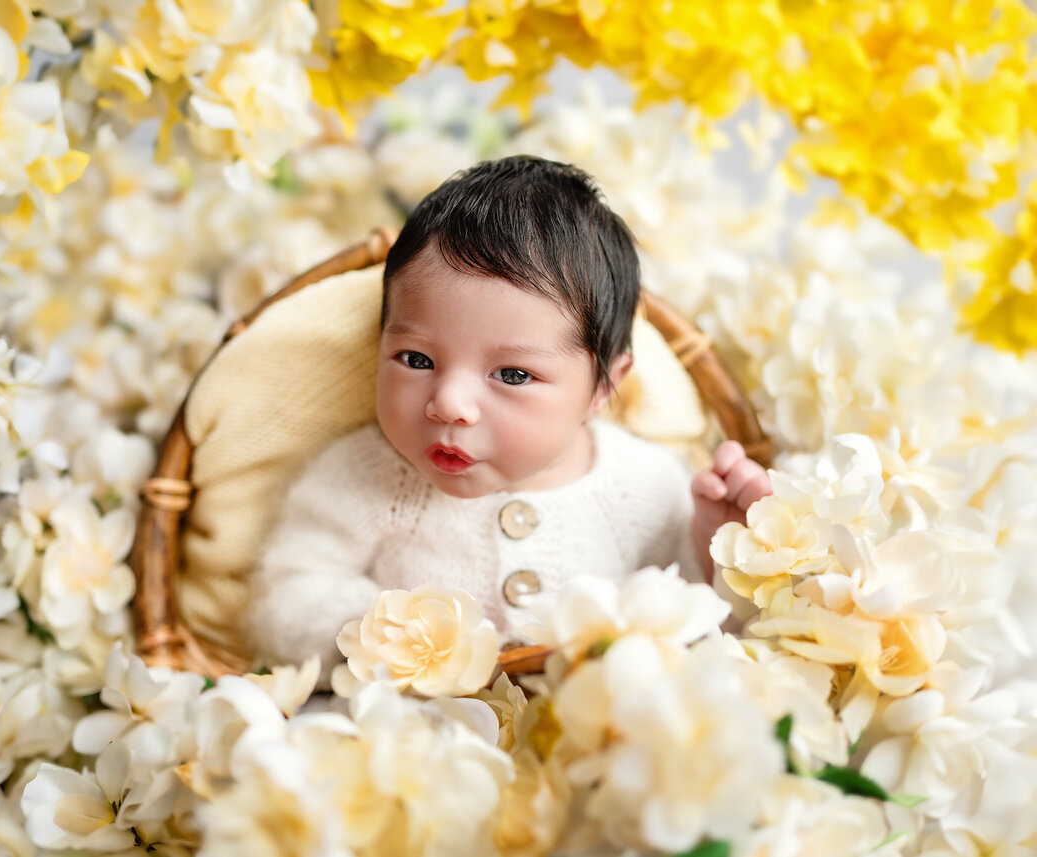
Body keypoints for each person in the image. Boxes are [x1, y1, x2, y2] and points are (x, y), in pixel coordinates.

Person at [244, 156, 770, 677]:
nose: (448, 403)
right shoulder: (362, 475)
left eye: (513, 375)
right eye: (417, 360)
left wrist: (719, 554)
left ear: (603, 387)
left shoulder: (649, 488)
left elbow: (709, 638)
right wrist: (385, 637)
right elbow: (283, 599)